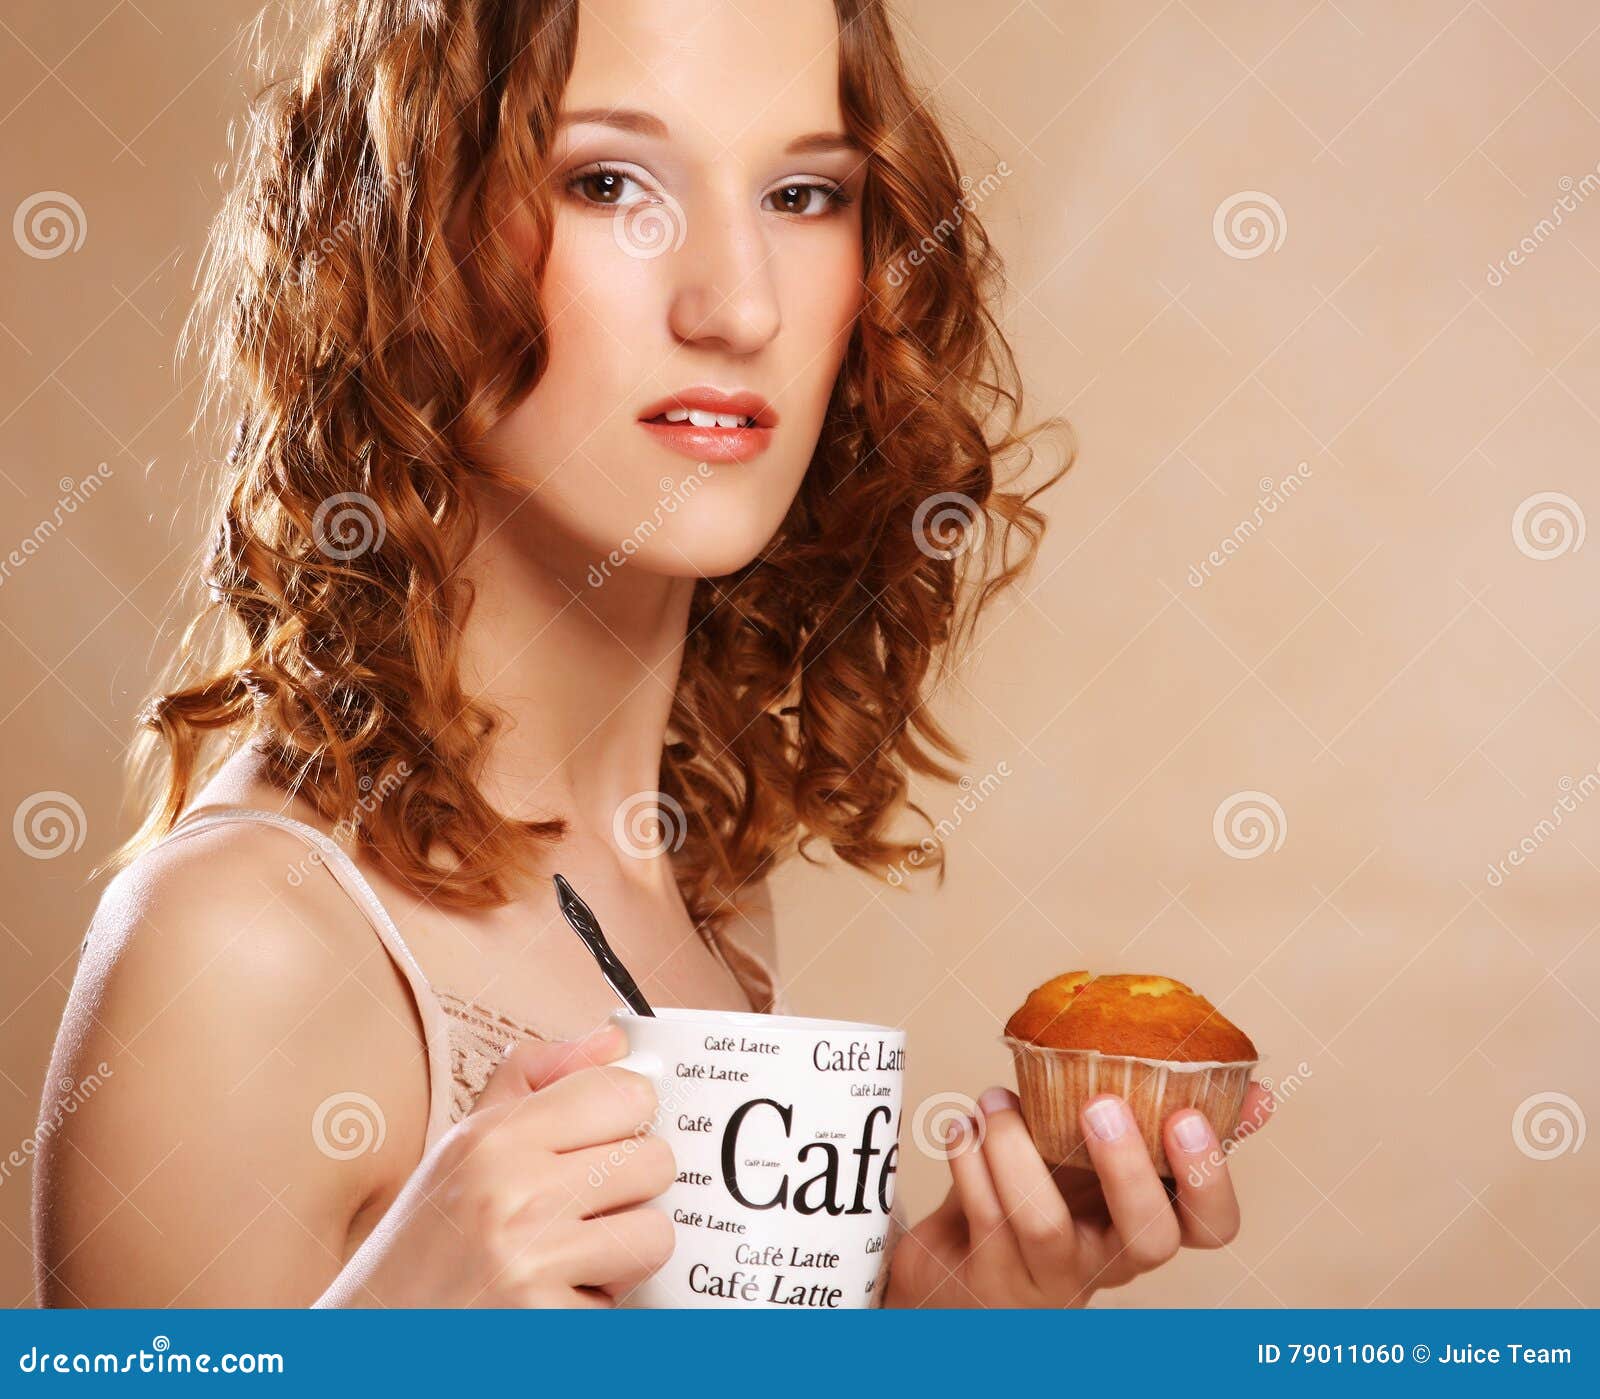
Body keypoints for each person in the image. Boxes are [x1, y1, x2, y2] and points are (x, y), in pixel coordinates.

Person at [32, 0, 1267, 1308]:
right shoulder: (242, 952)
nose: (738, 306)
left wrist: (937, 1328)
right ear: (405, 240)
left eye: (803, 193)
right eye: (609, 181)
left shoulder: (706, 900)